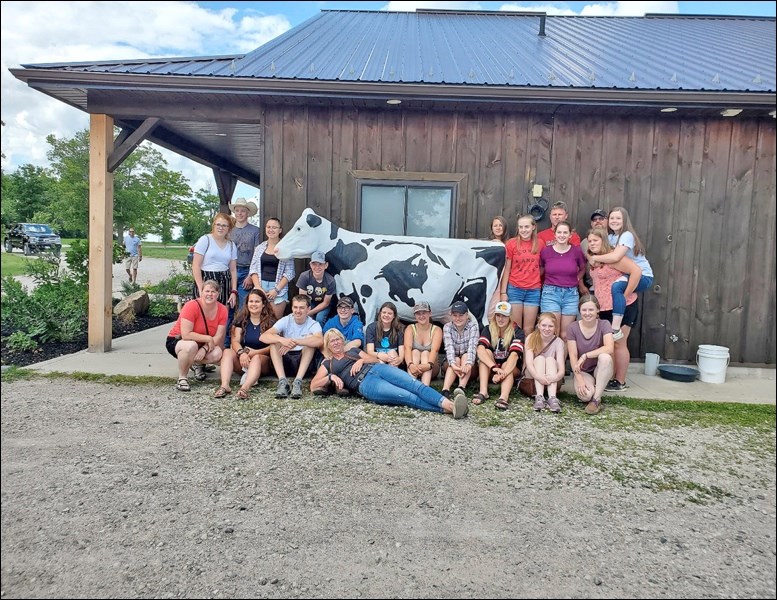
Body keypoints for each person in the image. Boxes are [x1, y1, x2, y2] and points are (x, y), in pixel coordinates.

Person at [310, 329, 468, 419]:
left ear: (342, 340)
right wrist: (330, 376)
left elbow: (372, 358)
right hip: (365, 384)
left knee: (414, 384)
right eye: (332, 341)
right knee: (405, 396)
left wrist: (361, 360)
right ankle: (450, 408)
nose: (336, 343)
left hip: (376, 368)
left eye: (338, 339)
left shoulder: (352, 351)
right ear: (328, 345)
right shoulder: (328, 363)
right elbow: (313, 385)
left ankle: (450, 405)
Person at [586, 228, 641, 393]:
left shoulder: (614, 258)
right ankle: (608, 378)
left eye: (595, 240)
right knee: (608, 344)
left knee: (619, 343)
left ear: (603, 240)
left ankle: (620, 381)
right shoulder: (595, 260)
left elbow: (636, 272)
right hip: (603, 308)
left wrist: (625, 294)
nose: (592, 244)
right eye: (589, 241)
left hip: (622, 307)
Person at [589, 206, 654, 342]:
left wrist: (595, 258)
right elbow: (604, 249)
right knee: (617, 286)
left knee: (617, 286)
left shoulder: (627, 235)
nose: (614, 221)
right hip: (629, 274)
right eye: (612, 218)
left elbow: (615, 257)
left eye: (618, 218)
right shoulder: (612, 237)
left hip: (643, 276)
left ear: (625, 220)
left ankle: (616, 327)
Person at [165, 279, 228, 392]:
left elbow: (218, 337)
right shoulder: (191, 306)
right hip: (178, 340)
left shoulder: (222, 310)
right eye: (207, 291)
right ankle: (182, 378)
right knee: (190, 346)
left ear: (218, 294)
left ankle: (196, 363)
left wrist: (204, 348)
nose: (210, 294)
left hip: (202, 344)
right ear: (201, 292)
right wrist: (208, 339)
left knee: (218, 353)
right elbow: (186, 334)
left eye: (213, 292)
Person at [215, 288, 276, 400]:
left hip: (263, 359)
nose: (253, 304)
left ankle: (245, 388)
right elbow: (235, 341)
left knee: (257, 358)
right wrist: (241, 353)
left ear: (263, 304)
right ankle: (224, 385)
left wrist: (254, 353)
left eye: (257, 301)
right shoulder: (241, 320)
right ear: (247, 303)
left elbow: (275, 346)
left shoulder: (271, 322)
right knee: (227, 352)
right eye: (251, 301)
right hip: (244, 358)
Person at [260, 294, 323, 399]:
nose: (298, 311)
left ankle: (298, 382)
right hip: (285, 358)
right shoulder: (286, 320)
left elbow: (320, 341)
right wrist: (282, 339)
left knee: (310, 344)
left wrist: (297, 342)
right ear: (292, 308)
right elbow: (263, 337)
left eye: (302, 308)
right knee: (274, 342)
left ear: (308, 309)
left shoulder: (313, 324)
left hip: (303, 362)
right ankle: (282, 382)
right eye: (295, 307)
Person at [566, 294, 615, 415]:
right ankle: (593, 391)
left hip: (600, 368)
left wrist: (586, 355)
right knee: (585, 396)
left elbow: (609, 348)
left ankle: (596, 400)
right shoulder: (572, 327)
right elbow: (572, 355)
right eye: (584, 310)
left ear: (597, 310)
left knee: (605, 357)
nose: (587, 313)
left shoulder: (604, 324)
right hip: (583, 370)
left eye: (591, 309)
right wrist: (579, 379)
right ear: (580, 311)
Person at [539, 221, 587, 341]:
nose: (562, 235)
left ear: (570, 235)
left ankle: (561, 359)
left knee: (565, 335)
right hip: (550, 293)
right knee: (552, 331)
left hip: (571, 294)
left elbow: (583, 268)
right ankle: (550, 359)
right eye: (559, 232)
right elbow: (541, 268)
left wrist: (577, 278)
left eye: (565, 232)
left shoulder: (576, 251)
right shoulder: (546, 251)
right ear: (554, 234)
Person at [475, 301, 525, 410]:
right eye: (498, 315)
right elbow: (480, 350)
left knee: (507, 363)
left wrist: (503, 373)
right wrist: (494, 367)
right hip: (493, 367)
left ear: (510, 317)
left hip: (510, 368)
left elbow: (514, 356)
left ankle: (503, 397)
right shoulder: (488, 328)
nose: (500, 319)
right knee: (485, 353)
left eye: (504, 316)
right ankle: (483, 392)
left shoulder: (517, 331)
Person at [500, 214, 542, 335]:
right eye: (521, 227)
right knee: (515, 326)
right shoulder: (511, 243)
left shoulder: (540, 243)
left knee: (528, 328)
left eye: (527, 227)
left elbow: (542, 267)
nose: (524, 230)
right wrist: (503, 292)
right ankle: (516, 352)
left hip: (533, 290)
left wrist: (533, 276)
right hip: (515, 288)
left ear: (533, 227)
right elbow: (507, 269)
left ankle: (527, 353)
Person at [249, 217, 295, 320]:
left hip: (278, 289)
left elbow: (290, 272)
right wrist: (258, 288)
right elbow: (253, 269)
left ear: (280, 230)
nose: (271, 230)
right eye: (268, 227)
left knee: (274, 321)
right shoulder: (260, 248)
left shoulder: (286, 248)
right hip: (261, 286)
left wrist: (276, 290)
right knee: (258, 320)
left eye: (274, 227)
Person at [191, 214, 238, 311]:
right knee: (203, 313)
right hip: (206, 280)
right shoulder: (205, 240)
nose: (221, 228)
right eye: (218, 225)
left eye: (224, 225)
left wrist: (234, 291)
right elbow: (196, 266)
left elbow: (233, 270)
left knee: (222, 313)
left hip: (224, 281)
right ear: (214, 225)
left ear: (229, 228)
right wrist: (201, 289)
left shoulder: (231, 245)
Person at [523, 312, 565, 413]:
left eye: (550, 326)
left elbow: (561, 369)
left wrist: (554, 377)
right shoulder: (531, 338)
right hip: (533, 373)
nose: (547, 329)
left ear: (555, 327)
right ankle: (539, 396)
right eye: (544, 325)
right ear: (538, 325)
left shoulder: (559, 342)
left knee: (550, 360)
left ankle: (552, 398)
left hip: (551, 375)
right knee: (540, 359)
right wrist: (538, 377)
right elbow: (529, 363)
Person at [227, 198, 262, 311]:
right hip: (231, 270)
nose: (239, 213)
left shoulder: (255, 231)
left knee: (244, 305)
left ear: (248, 213)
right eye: (237, 210)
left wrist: (251, 275)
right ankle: (227, 328)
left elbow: (257, 255)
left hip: (247, 270)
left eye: (242, 211)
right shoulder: (229, 230)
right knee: (228, 304)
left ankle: (241, 328)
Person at [441, 300, 479, 397]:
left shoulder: (473, 326)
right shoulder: (447, 327)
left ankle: (461, 387)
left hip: (469, 366)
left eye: (461, 315)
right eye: (455, 315)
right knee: (456, 359)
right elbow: (449, 348)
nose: (458, 318)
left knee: (466, 356)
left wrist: (468, 365)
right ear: (451, 316)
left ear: (466, 315)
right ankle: (445, 389)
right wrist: (453, 365)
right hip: (452, 364)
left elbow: (472, 347)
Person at [403, 301, 443, 386]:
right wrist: (410, 365)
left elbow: (434, 350)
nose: (421, 316)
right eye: (418, 314)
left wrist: (428, 365)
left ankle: (425, 387)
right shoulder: (410, 328)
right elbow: (407, 348)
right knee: (415, 352)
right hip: (414, 366)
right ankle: (412, 385)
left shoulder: (436, 330)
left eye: (424, 313)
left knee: (425, 353)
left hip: (431, 367)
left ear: (430, 313)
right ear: (415, 316)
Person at [296, 250, 336, 326]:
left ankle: (319, 335)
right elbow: (302, 298)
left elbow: (326, 303)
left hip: (324, 303)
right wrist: (306, 311)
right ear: (310, 265)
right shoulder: (304, 276)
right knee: (303, 315)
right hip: (310, 302)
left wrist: (310, 312)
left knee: (319, 318)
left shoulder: (330, 281)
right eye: (314, 264)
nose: (317, 267)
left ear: (326, 265)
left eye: (320, 264)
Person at [364, 301, 405, 367]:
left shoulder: (399, 328)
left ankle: (392, 374)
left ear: (394, 316)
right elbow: (370, 351)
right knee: (380, 361)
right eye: (384, 312)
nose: (386, 315)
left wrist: (400, 359)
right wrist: (379, 355)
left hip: (393, 359)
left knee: (392, 352)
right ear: (380, 313)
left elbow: (401, 352)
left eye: (389, 313)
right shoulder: (371, 328)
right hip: (378, 358)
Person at [579, 208, 609, 291]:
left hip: (613, 283)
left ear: (607, 221)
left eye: (601, 219)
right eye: (595, 219)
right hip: (593, 284)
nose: (598, 221)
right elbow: (589, 262)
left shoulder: (614, 239)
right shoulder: (585, 242)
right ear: (591, 223)